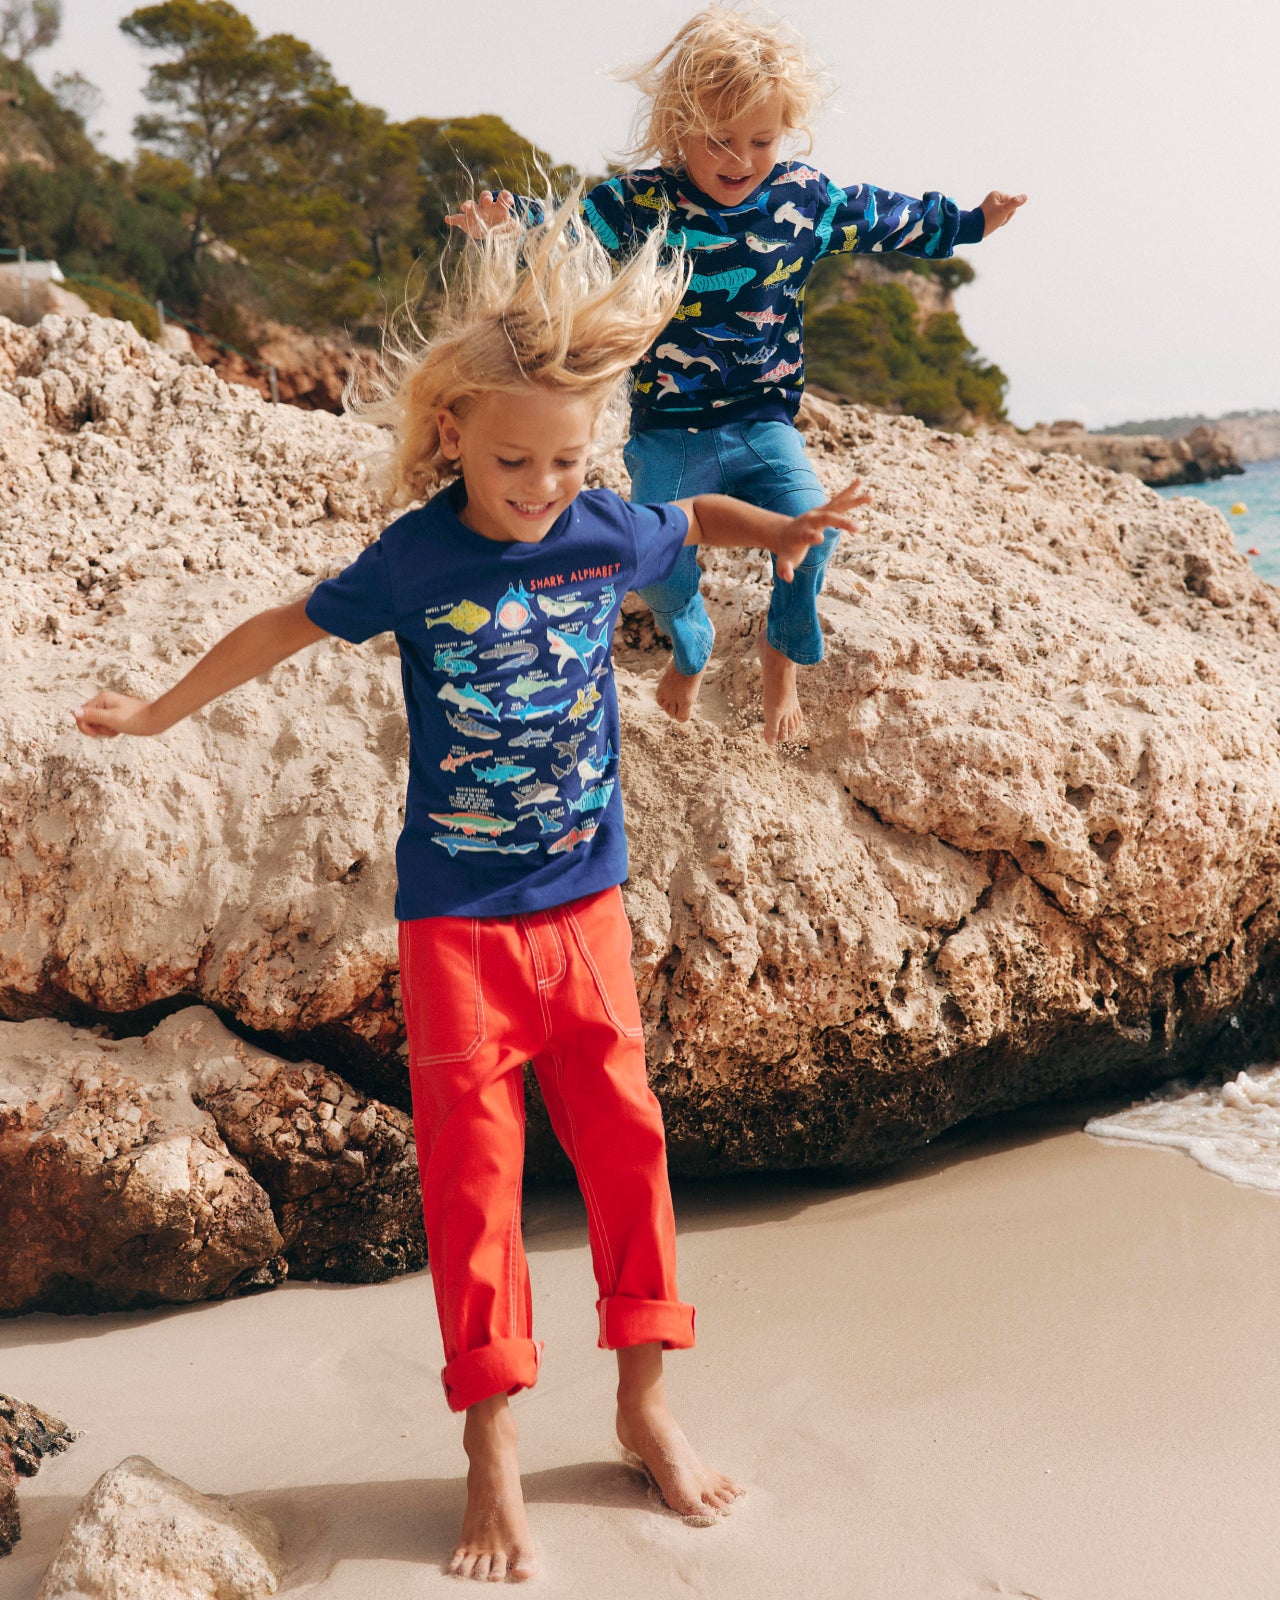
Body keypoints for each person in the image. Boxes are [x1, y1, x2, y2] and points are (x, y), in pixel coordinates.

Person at [73, 194, 869, 1582]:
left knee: (628, 1149)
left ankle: (643, 1410)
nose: (543, 485)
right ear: (452, 435)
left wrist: (786, 537)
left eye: (566, 461)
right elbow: (281, 625)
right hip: (456, 930)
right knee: (474, 1181)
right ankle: (491, 1458)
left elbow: (695, 518)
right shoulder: (420, 556)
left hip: (588, 912)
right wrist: (154, 713)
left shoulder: (604, 526)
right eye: (515, 461)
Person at [450, 4, 1025, 744]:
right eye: (719, 139)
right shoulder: (643, 203)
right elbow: (569, 225)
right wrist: (511, 221)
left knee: (813, 533)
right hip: (671, 433)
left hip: (764, 425)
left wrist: (972, 221)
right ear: (678, 128)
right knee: (652, 561)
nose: (740, 158)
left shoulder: (802, 199)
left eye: (761, 139)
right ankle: (690, 640)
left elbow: (886, 217)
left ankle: (779, 653)